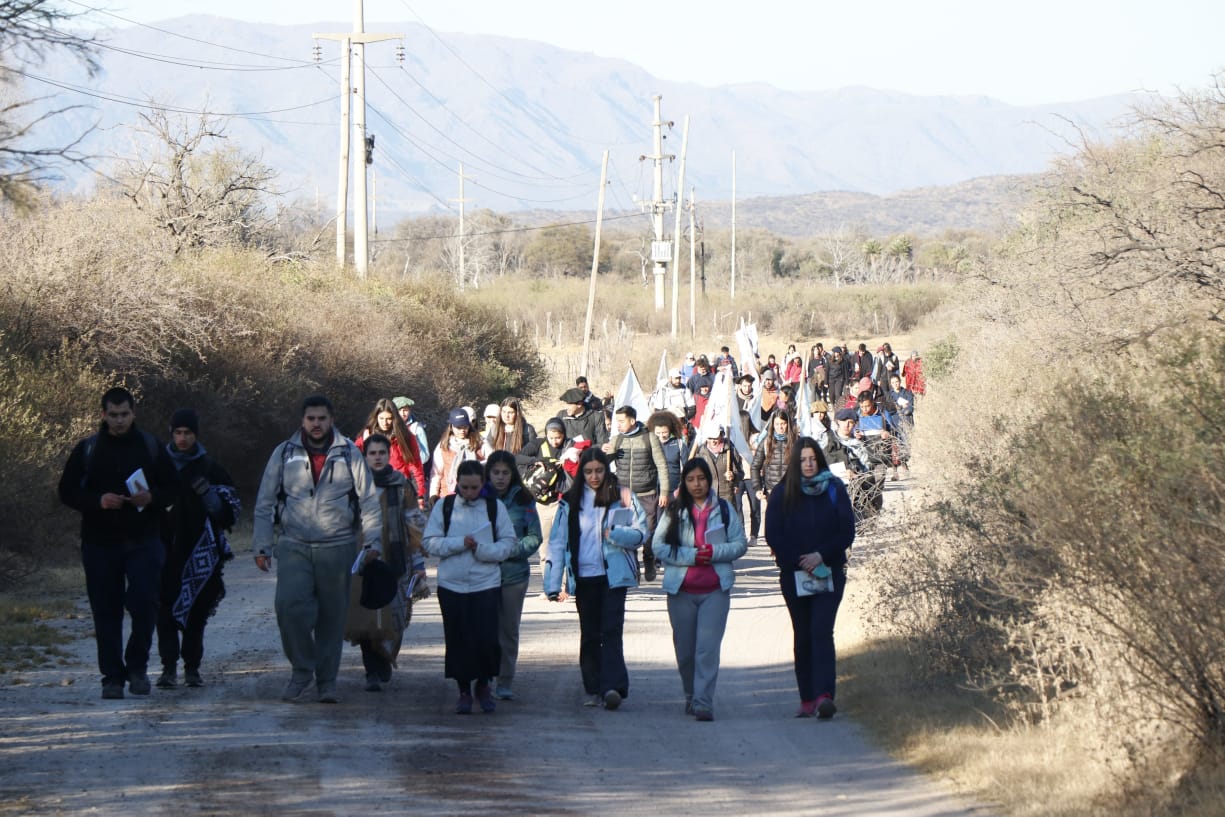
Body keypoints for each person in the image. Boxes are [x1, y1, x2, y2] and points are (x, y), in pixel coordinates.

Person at [252, 395, 382, 704]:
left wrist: (373, 541)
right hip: (294, 544)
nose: (316, 424)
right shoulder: (283, 453)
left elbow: (369, 502)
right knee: (288, 609)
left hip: (338, 546)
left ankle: (327, 681)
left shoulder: (350, 453)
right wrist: (262, 546)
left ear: (331, 419)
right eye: (311, 418)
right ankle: (302, 669)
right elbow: (264, 502)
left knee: (331, 618)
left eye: (322, 418)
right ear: (302, 421)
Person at [58, 387, 177, 699]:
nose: (120, 420)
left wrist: (150, 497)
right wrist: (98, 500)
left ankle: (137, 668)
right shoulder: (88, 449)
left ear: (133, 413)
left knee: (144, 603)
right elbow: (66, 491)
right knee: (105, 610)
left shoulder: (151, 447)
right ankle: (112, 677)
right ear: (103, 414)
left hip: (144, 540)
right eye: (113, 414)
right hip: (100, 542)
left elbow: (175, 489)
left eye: (125, 414)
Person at [544, 448, 648, 710]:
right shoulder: (569, 501)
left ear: (606, 470)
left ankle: (612, 687)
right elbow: (557, 543)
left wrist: (615, 535)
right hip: (584, 576)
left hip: (613, 576)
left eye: (599, 471)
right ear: (581, 472)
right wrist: (553, 583)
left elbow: (641, 533)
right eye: (588, 471)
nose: (594, 476)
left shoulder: (622, 496)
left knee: (611, 630)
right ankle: (593, 687)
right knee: (590, 634)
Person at [764, 437, 855, 719]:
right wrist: (800, 560)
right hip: (794, 575)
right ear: (795, 462)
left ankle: (825, 695)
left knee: (821, 630)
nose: (808, 464)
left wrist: (820, 556)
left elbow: (846, 531)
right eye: (803, 460)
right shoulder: (783, 492)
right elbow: (773, 534)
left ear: (820, 459)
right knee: (803, 634)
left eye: (812, 459)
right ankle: (807, 697)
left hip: (829, 572)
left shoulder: (834, 489)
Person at [653, 457, 748, 721]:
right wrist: (691, 555)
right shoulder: (674, 510)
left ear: (709, 480)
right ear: (684, 482)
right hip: (681, 591)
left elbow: (739, 544)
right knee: (685, 652)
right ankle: (690, 695)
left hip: (715, 590)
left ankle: (704, 701)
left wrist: (715, 552)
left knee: (707, 649)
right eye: (691, 479)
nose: (697, 484)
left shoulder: (725, 509)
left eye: (702, 478)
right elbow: (658, 547)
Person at [422, 460, 517, 714]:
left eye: (475, 488)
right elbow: (430, 543)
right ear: (457, 484)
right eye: (464, 487)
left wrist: (481, 550)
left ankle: (484, 686)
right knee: (458, 640)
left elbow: (508, 544)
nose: (469, 493)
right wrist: (459, 544)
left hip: (485, 583)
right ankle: (463, 690)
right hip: (451, 584)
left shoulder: (494, 507)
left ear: (482, 484)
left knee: (486, 639)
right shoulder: (445, 506)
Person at [155, 408, 241, 690]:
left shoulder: (211, 468)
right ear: (171, 433)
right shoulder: (157, 464)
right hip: (164, 549)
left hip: (202, 553)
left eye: (187, 433)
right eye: (177, 433)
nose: (182, 439)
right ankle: (168, 668)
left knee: (197, 612)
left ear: (196, 435)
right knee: (164, 610)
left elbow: (230, 514)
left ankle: (192, 668)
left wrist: (210, 498)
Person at [346, 433, 427, 692]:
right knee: (368, 618)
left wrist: (418, 560)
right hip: (365, 559)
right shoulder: (353, 486)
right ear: (364, 456)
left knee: (394, 619)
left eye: (382, 453)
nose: (378, 457)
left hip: (397, 558)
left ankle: (386, 658)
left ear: (389, 455)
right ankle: (373, 671)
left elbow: (413, 522)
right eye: (372, 453)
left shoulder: (401, 484)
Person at [484, 451, 543, 701]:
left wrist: (510, 550)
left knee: (508, 630)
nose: (500, 478)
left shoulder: (524, 499)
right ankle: (484, 677)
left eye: (505, 473)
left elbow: (534, 536)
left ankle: (505, 679)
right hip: (482, 573)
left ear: (513, 474)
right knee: (485, 629)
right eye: (495, 472)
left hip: (514, 575)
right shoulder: (478, 498)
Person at [602, 405, 670, 581]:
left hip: (647, 493)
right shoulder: (617, 440)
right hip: (624, 496)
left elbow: (662, 466)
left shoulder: (649, 438)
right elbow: (603, 464)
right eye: (617, 421)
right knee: (626, 532)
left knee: (647, 531)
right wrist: (604, 453)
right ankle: (632, 567)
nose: (618, 425)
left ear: (632, 421)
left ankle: (648, 559)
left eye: (621, 421)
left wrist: (664, 491)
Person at [355, 398, 426, 498]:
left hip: (399, 489)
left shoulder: (406, 437)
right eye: (381, 418)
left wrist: (419, 494)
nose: (385, 422)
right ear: (376, 417)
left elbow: (415, 466)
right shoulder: (366, 436)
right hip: (372, 489)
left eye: (389, 418)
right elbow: (355, 461)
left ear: (394, 418)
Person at [428, 407, 491, 506]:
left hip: (477, 495)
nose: (462, 430)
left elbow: (492, 462)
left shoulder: (480, 442)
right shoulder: (443, 446)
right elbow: (436, 473)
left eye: (465, 427)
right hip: (448, 495)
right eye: (459, 427)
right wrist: (433, 494)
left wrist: (478, 466)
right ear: (451, 426)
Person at [753, 408, 796, 507]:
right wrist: (758, 488)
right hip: (772, 492)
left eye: (783, 423)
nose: (780, 427)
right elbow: (755, 466)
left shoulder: (796, 442)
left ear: (788, 424)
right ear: (773, 425)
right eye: (777, 424)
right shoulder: (766, 442)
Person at [694, 424, 743, 505]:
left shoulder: (729, 450)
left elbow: (740, 472)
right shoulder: (701, 453)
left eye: (715, 438)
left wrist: (733, 476)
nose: (713, 441)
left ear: (721, 436)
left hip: (726, 497)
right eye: (710, 438)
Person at [648, 410, 686, 503]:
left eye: (664, 432)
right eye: (658, 433)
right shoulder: (648, 444)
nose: (661, 436)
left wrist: (682, 487)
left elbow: (687, 467)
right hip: (654, 491)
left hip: (674, 490)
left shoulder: (679, 443)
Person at [393, 396, 431, 468]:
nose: (402, 414)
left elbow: (425, 457)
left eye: (405, 410)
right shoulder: (388, 427)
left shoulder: (417, 429)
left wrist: (413, 444)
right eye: (399, 410)